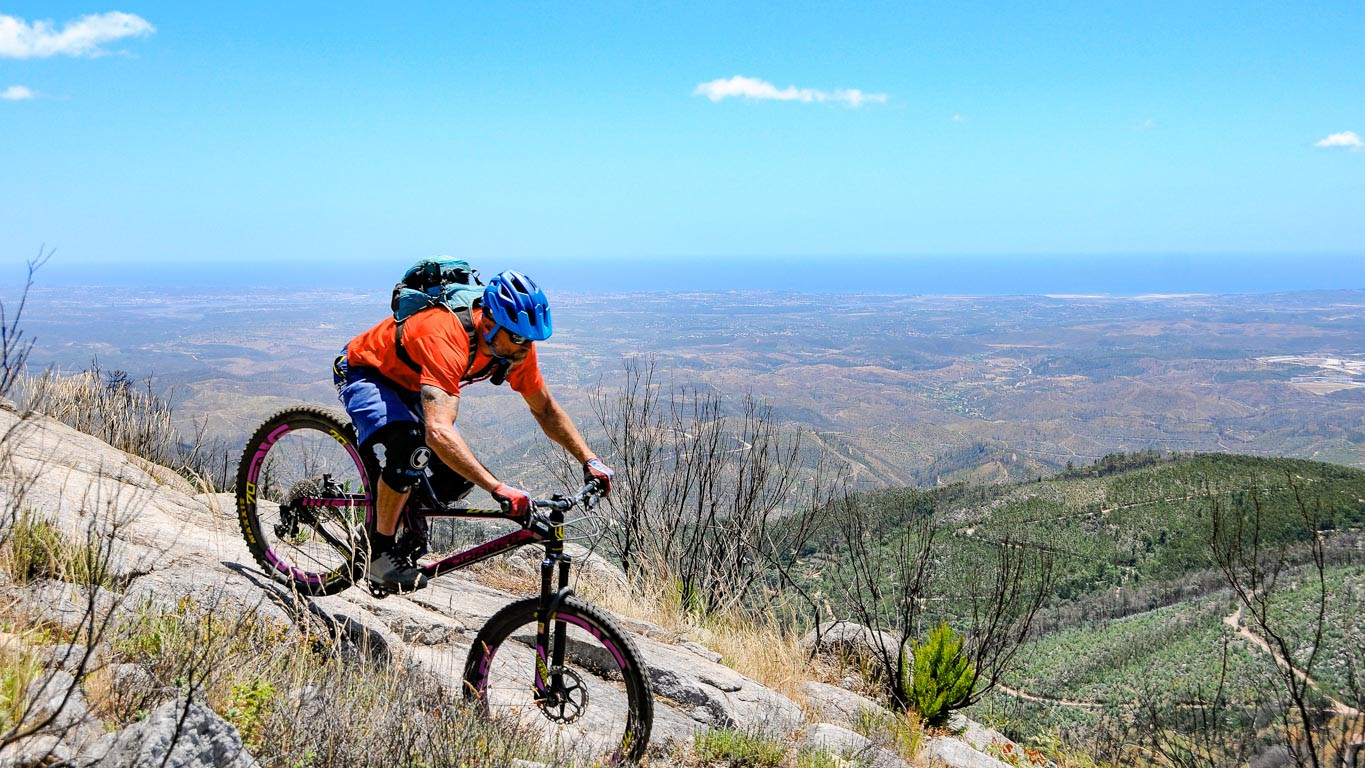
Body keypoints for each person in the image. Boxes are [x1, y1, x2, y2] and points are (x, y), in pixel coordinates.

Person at [333, 268, 614, 591]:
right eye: (518, 338)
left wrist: (589, 459)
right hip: (366, 370)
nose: (525, 349)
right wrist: (498, 488)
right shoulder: (445, 335)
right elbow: (438, 431)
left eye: (531, 340)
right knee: (410, 449)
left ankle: (398, 517)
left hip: (414, 380)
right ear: (490, 324)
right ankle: (379, 553)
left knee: (458, 476)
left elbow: (546, 409)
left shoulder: (515, 348)